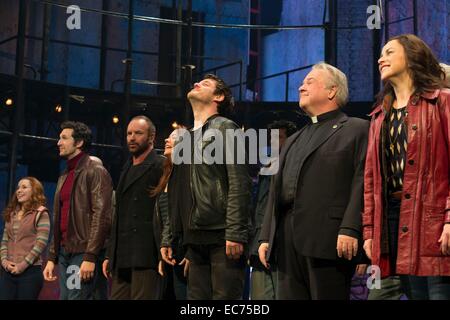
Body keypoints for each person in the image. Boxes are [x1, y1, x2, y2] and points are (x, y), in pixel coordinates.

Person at [259, 62, 369, 300]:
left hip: (328, 237)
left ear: (332, 91)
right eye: (301, 83)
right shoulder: (293, 139)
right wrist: (266, 235)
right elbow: (275, 191)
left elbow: (362, 182)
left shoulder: (357, 129)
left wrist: (350, 227)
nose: (301, 87)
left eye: (309, 82)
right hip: (286, 239)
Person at [363, 34, 450, 300]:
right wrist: (369, 230)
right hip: (395, 222)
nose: (381, 58)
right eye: (381, 54)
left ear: (412, 56)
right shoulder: (379, 116)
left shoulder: (442, 102)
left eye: (389, 52)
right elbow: (370, 181)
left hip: (434, 220)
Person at [161, 74, 252, 300]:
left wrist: (235, 232)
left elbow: (239, 181)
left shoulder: (226, 127)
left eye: (206, 84)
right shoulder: (187, 138)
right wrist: (170, 236)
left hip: (222, 235)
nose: (196, 84)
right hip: (195, 238)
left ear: (218, 96)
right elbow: (178, 192)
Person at [43, 121, 113, 300]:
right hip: (65, 252)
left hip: (82, 252)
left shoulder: (95, 171)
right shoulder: (65, 175)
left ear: (79, 142)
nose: (58, 142)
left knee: (76, 297)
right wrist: (52, 256)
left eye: (64, 138)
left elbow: (102, 216)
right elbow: (59, 217)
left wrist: (89, 256)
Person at [103, 115, 165, 300]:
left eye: (138, 133)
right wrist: (110, 254)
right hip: (123, 254)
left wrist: (163, 248)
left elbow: (165, 211)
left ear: (151, 137)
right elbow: (119, 215)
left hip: (146, 253)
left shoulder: (159, 165)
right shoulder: (127, 167)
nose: (131, 137)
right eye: (129, 133)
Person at [249, 120, 297, 300]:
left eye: (279, 137)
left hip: (283, 245)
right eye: (272, 138)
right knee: (259, 297)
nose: (274, 142)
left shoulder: (294, 167)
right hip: (259, 243)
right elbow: (259, 206)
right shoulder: (267, 167)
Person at [151, 127, 189, 300]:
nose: (166, 139)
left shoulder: (190, 174)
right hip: (169, 251)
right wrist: (163, 249)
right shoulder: (167, 174)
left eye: (173, 137)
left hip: (184, 250)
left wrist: (191, 251)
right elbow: (166, 218)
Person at [0, 177, 50, 300]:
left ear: (34, 191)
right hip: (9, 272)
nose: (19, 190)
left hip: (30, 273)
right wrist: (4, 262)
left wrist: (21, 266)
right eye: (18, 187)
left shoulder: (41, 213)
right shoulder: (12, 214)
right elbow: (5, 241)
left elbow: (41, 243)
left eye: (24, 187)